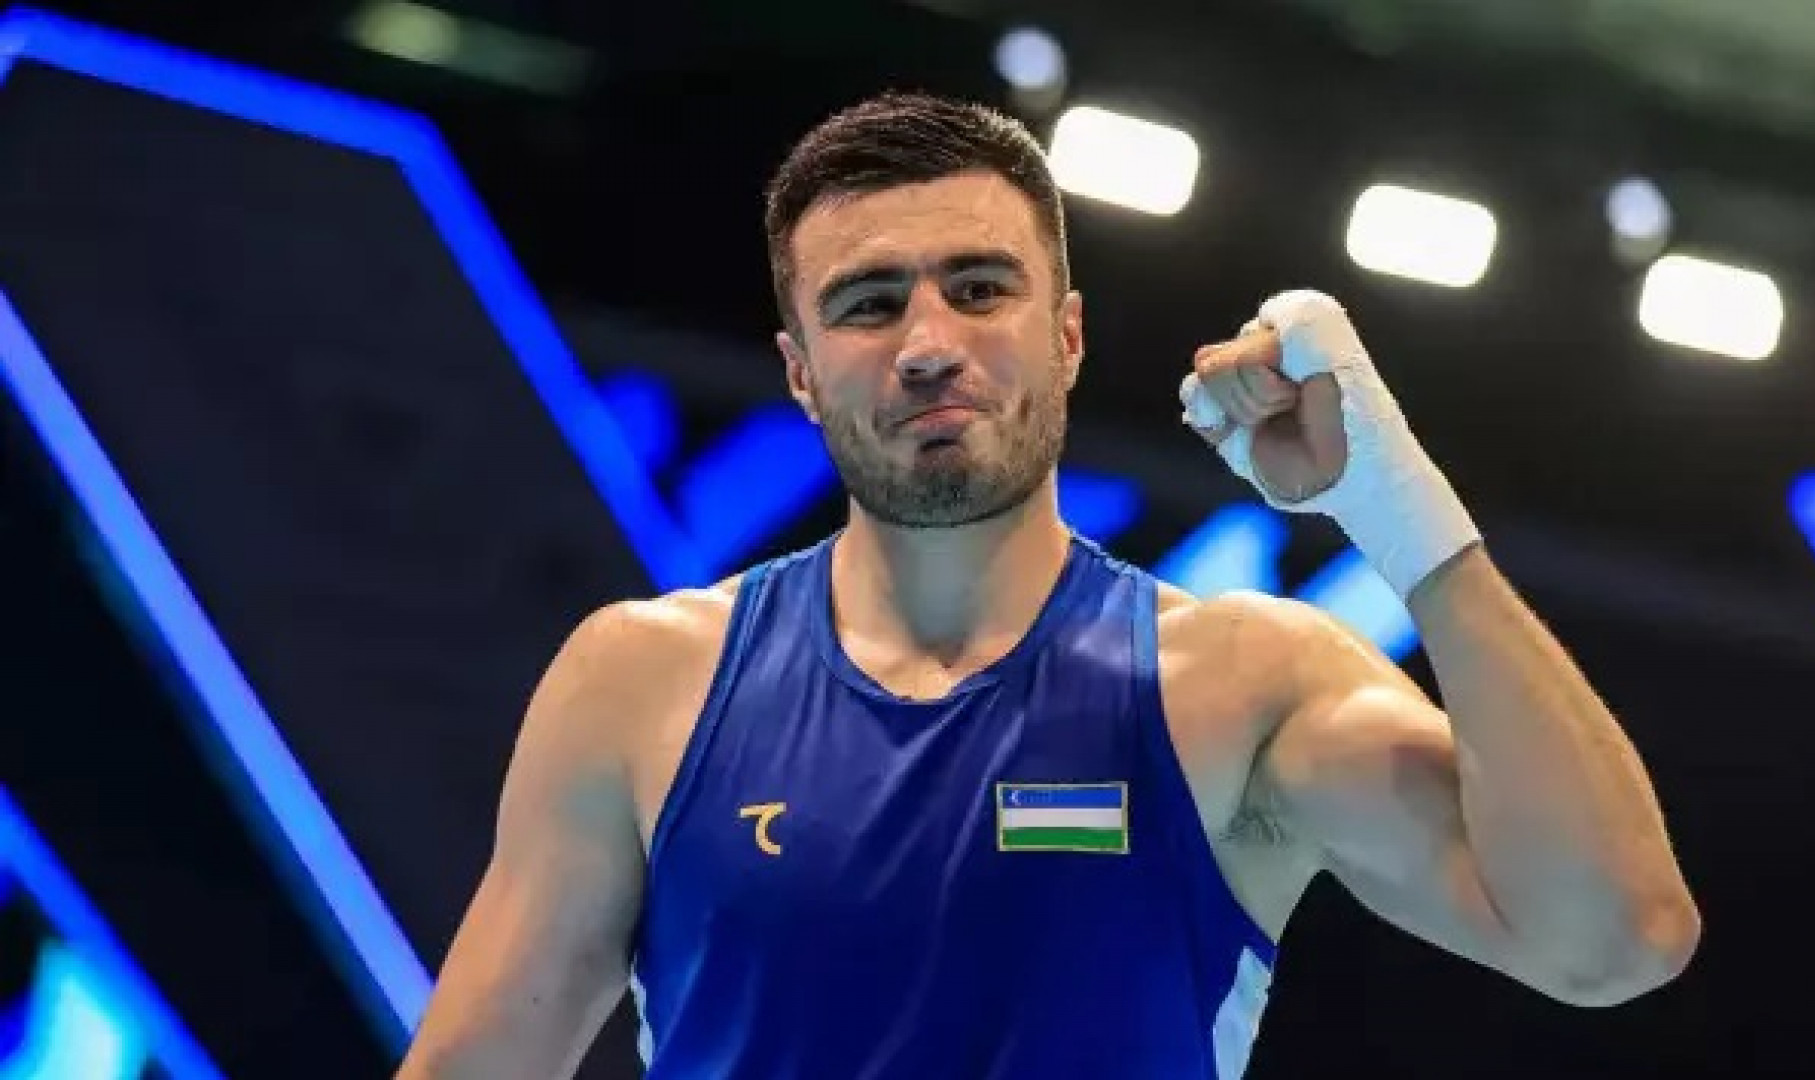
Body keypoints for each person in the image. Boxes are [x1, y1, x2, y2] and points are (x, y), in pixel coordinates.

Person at [394, 91, 1699, 1079]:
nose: (928, 344)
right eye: (868, 305)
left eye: (979, 289)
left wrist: (1406, 521)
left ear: (1065, 336)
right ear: (799, 371)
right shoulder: (643, 683)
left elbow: (1614, 939)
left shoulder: (1240, 690)